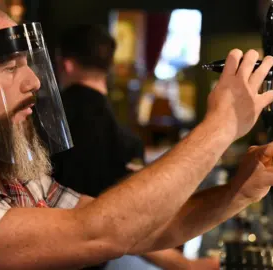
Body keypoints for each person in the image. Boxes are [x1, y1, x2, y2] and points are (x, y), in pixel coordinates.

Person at [0, 2, 273, 270]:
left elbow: (140, 226)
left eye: (27, 65)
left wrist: (239, 191)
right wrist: (221, 125)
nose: (34, 80)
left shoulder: (13, 178)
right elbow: (97, 233)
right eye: (8, 68)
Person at [52, 24, 218, 270]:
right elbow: (130, 220)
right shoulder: (124, 139)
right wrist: (184, 264)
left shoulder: (45, 118)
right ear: (107, 66)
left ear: (65, 64)